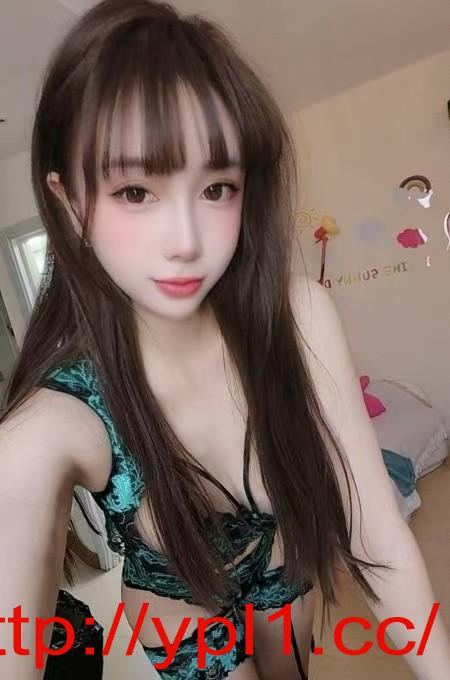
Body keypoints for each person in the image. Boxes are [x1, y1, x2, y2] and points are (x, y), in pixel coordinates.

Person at [0, 1, 449, 678]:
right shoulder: (49, 429)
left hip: (282, 571)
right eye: (134, 191)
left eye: (216, 187)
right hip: (177, 613)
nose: (186, 241)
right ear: (69, 204)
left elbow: (378, 536)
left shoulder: (297, 317)